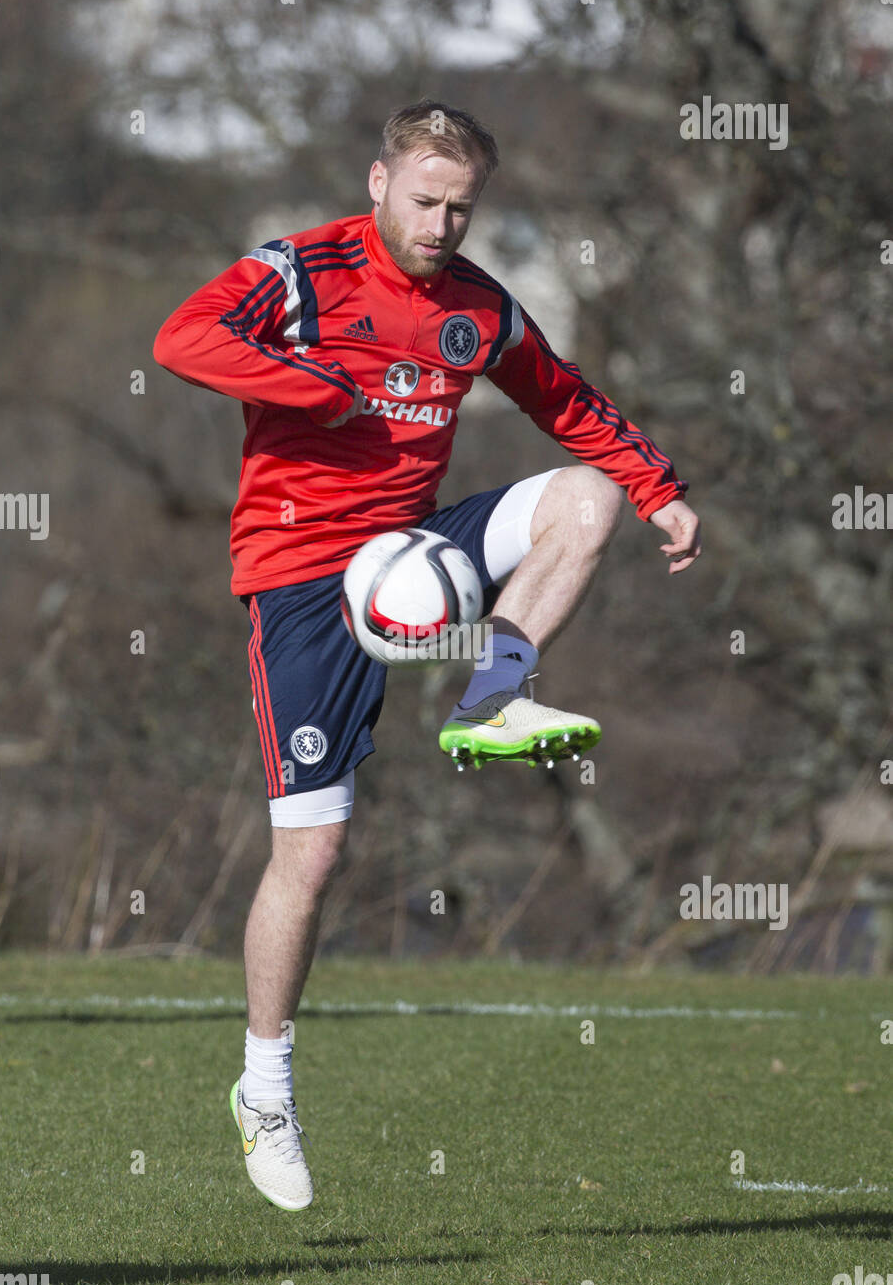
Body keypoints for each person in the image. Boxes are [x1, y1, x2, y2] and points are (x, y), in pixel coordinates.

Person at [153, 98, 702, 1212]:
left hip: (413, 554)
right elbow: (181, 339)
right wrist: (313, 385)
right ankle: (263, 1087)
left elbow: (565, 399)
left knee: (586, 501)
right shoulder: (299, 272)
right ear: (377, 182)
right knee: (311, 856)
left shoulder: (476, 308)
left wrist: (659, 488)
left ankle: (491, 693)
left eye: (462, 207)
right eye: (425, 201)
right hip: (301, 582)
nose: (443, 224)